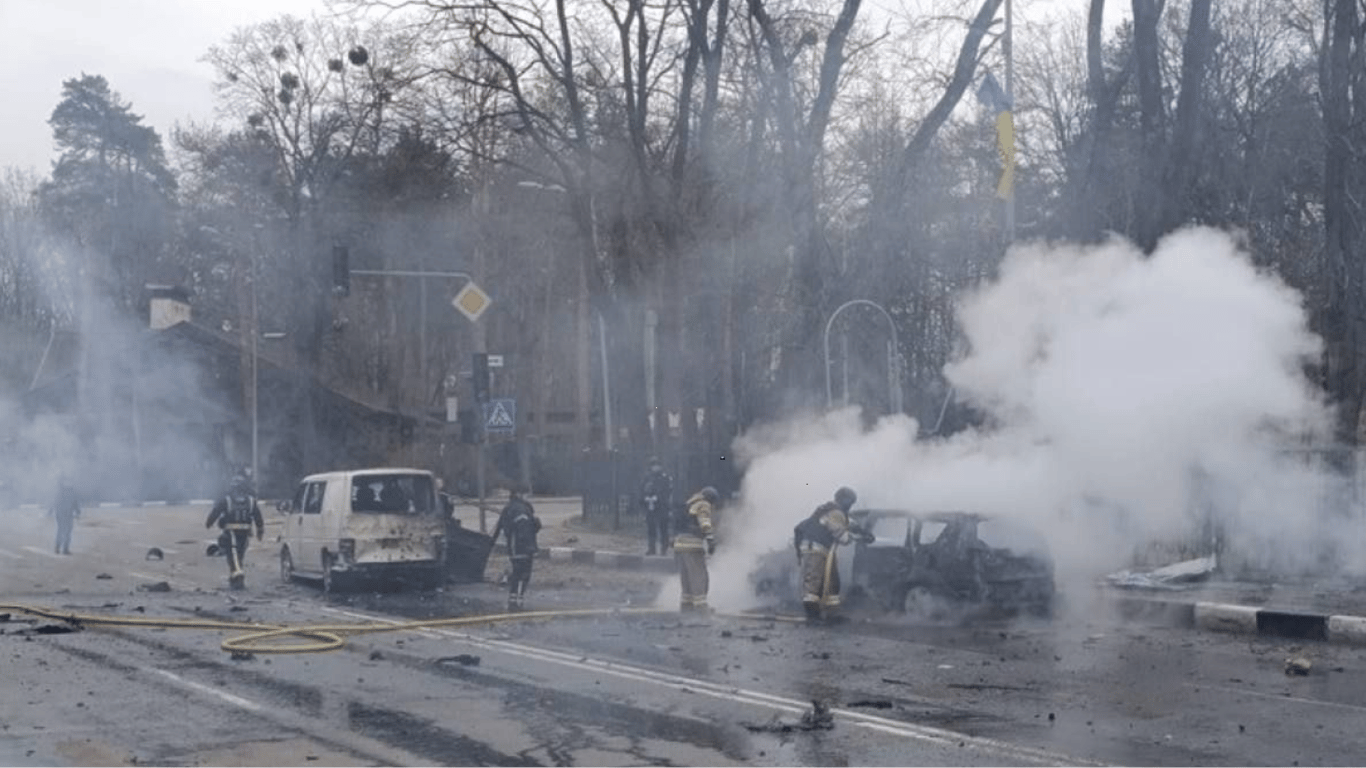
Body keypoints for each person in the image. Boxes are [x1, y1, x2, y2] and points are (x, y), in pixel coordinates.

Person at [793, 486, 864, 624]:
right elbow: (842, 536)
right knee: (814, 582)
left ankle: (831, 614)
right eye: (850, 502)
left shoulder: (829, 511)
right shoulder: (835, 512)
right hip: (815, 549)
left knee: (832, 581)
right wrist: (858, 537)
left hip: (823, 550)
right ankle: (812, 617)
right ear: (844, 500)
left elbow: (847, 522)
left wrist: (859, 529)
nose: (850, 505)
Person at [205, 474, 265, 590]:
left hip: (231, 532)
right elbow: (258, 517)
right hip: (245, 533)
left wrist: (209, 523)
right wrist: (260, 530)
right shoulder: (251, 501)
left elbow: (215, 512)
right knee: (239, 555)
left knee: (234, 555)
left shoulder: (227, 500)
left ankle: (238, 575)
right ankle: (234, 577)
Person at [491, 487, 541, 610]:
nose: (528, 496)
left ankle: (513, 599)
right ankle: (518, 600)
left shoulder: (509, 508)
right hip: (523, 546)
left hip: (515, 547)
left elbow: (501, 527)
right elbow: (526, 529)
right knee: (523, 573)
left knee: (517, 573)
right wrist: (535, 525)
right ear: (519, 494)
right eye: (526, 494)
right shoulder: (522, 509)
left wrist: (492, 542)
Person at [673, 486, 718, 612]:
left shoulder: (689, 504)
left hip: (679, 545)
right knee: (699, 576)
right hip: (692, 545)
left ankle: (686, 606)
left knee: (686, 577)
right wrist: (710, 540)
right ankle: (701, 607)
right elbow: (705, 523)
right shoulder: (703, 504)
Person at [639, 457, 674, 555]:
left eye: (657, 465)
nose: (655, 467)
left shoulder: (665, 477)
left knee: (663, 528)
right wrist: (645, 499)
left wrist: (659, 498)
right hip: (650, 506)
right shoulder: (647, 477)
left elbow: (667, 492)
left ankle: (664, 548)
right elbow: (642, 490)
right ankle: (651, 548)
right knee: (651, 528)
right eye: (653, 465)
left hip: (662, 506)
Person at [49, 476, 80, 555]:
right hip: (66, 514)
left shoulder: (61, 492)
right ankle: (64, 548)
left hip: (62, 514)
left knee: (62, 531)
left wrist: (50, 511)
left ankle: (58, 547)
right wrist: (77, 511)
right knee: (66, 532)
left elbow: (54, 502)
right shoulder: (71, 492)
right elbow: (75, 503)